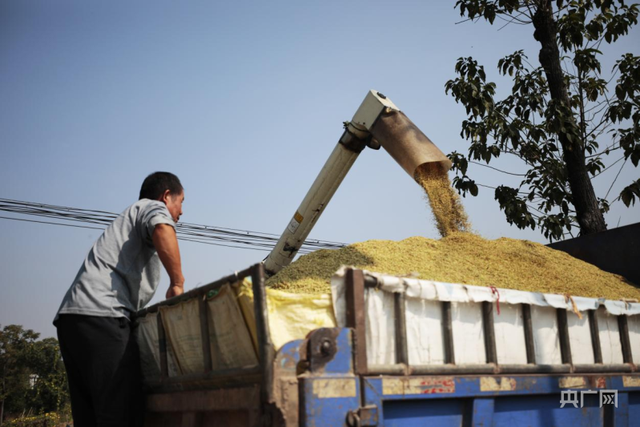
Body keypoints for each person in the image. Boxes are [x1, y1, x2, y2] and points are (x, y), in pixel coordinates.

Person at [53, 171, 185, 427]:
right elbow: (162, 227)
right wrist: (177, 283)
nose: (181, 212)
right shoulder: (152, 207)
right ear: (166, 197)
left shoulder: (127, 219)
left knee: (91, 415)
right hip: (103, 316)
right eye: (181, 203)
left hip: (72, 320)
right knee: (120, 412)